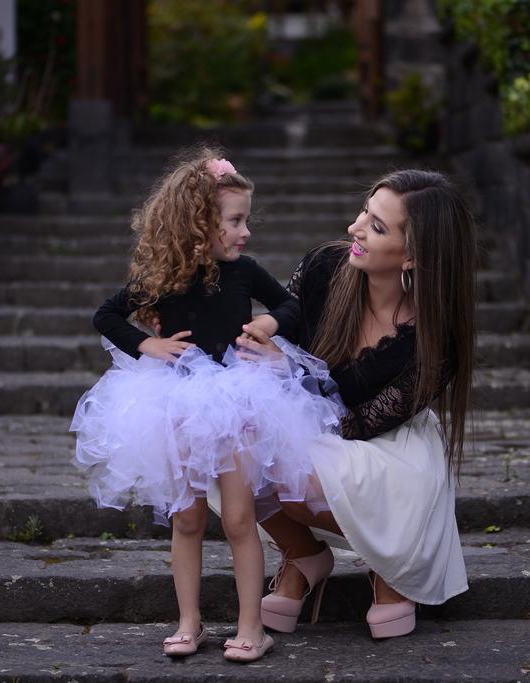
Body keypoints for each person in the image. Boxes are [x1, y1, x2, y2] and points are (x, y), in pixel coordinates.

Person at [70, 149, 342, 662]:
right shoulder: (163, 277)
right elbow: (107, 315)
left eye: (245, 219)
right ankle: (189, 622)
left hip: (238, 397)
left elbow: (292, 304)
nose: (246, 231)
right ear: (199, 224)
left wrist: (268, 324)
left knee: (240, 517)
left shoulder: (245, 272)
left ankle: (250, 626)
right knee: (188, 518)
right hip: (178, 401)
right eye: (236, 220)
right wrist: (148, 345)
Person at [235, 169, 476, 639]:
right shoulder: (325, 267)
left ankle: (392, 562)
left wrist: (291, 373)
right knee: (225, 441)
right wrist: (260, 341)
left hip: (386, 444)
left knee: (290, 473)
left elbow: (359, 424)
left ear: (413, 256)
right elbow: (282, 326)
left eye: (378, 226)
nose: (355, 227)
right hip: (307, 421)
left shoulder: (434, 338)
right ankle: (304, 555)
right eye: (367, 210)